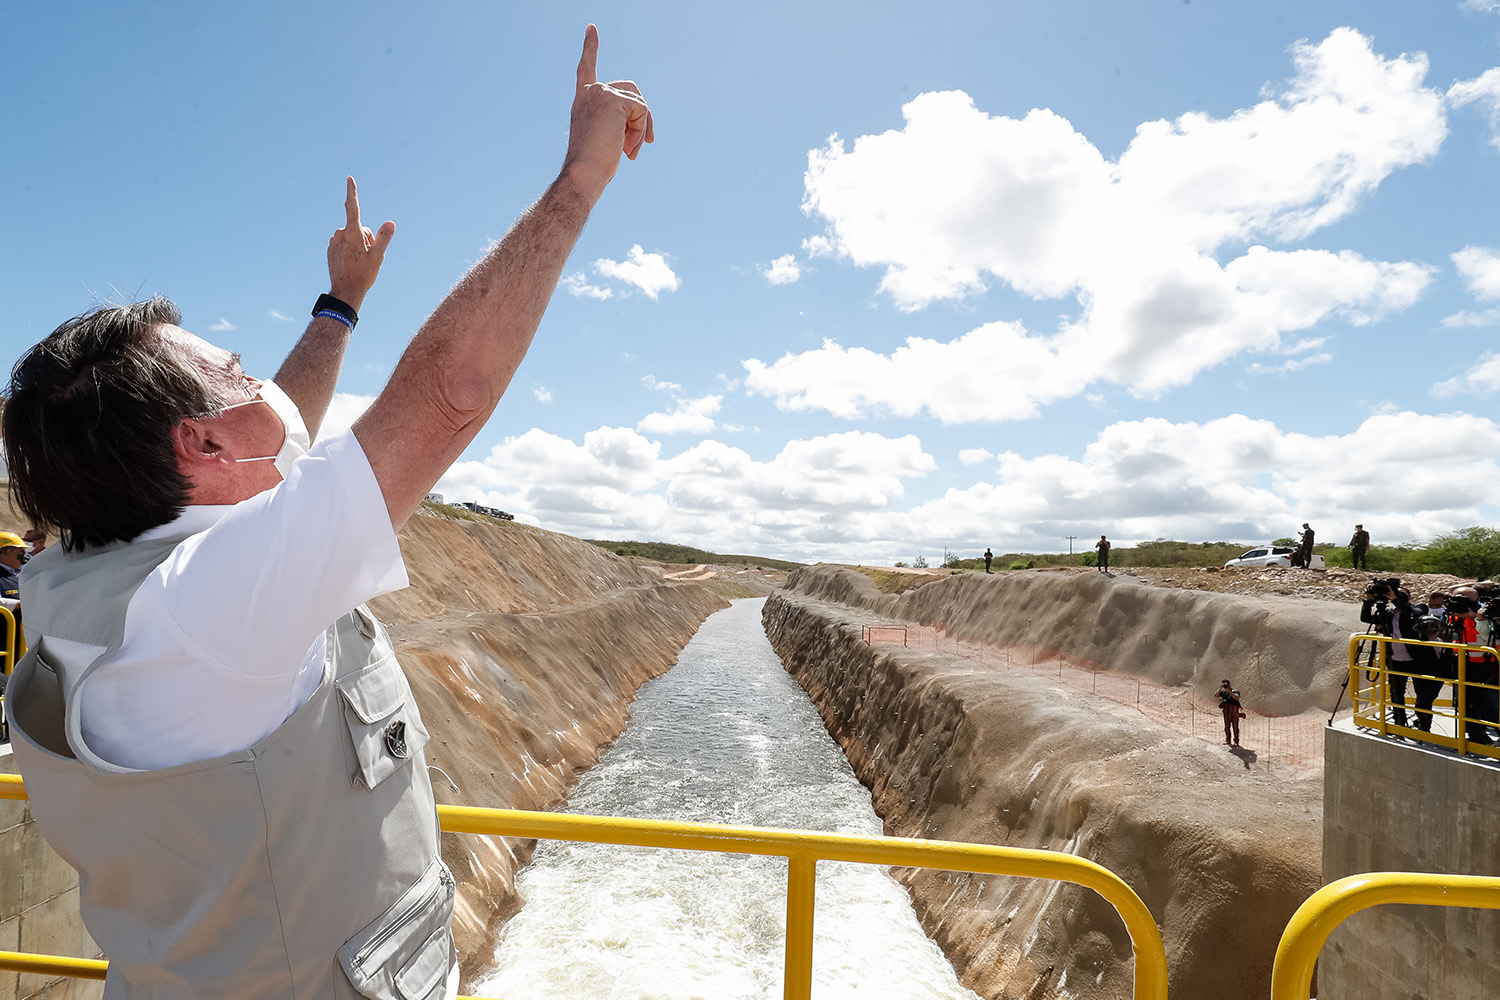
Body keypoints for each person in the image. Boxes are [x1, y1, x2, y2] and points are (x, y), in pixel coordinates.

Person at [1, 25, 651, 1000]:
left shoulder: (114, 573)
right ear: (203, 447)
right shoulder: (204, 609)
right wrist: (579, 181)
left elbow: (285, 424)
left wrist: (339, 304)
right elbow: (450, 394)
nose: (257, 375)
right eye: (230, 371)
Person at [1216, 679, 1244, 746]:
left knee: (1235, 726)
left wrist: (1230, 692)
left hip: (1234, 710)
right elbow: (1215, 695)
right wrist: (1220, 689)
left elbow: (1237, 698)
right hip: (1226, 710)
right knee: (1227, 726)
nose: (1225, 686)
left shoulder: (1235, 691)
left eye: (1226, 684)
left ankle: (1236, 741)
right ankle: (1228, 740)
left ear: (1229, 684)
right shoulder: (1223, 692)